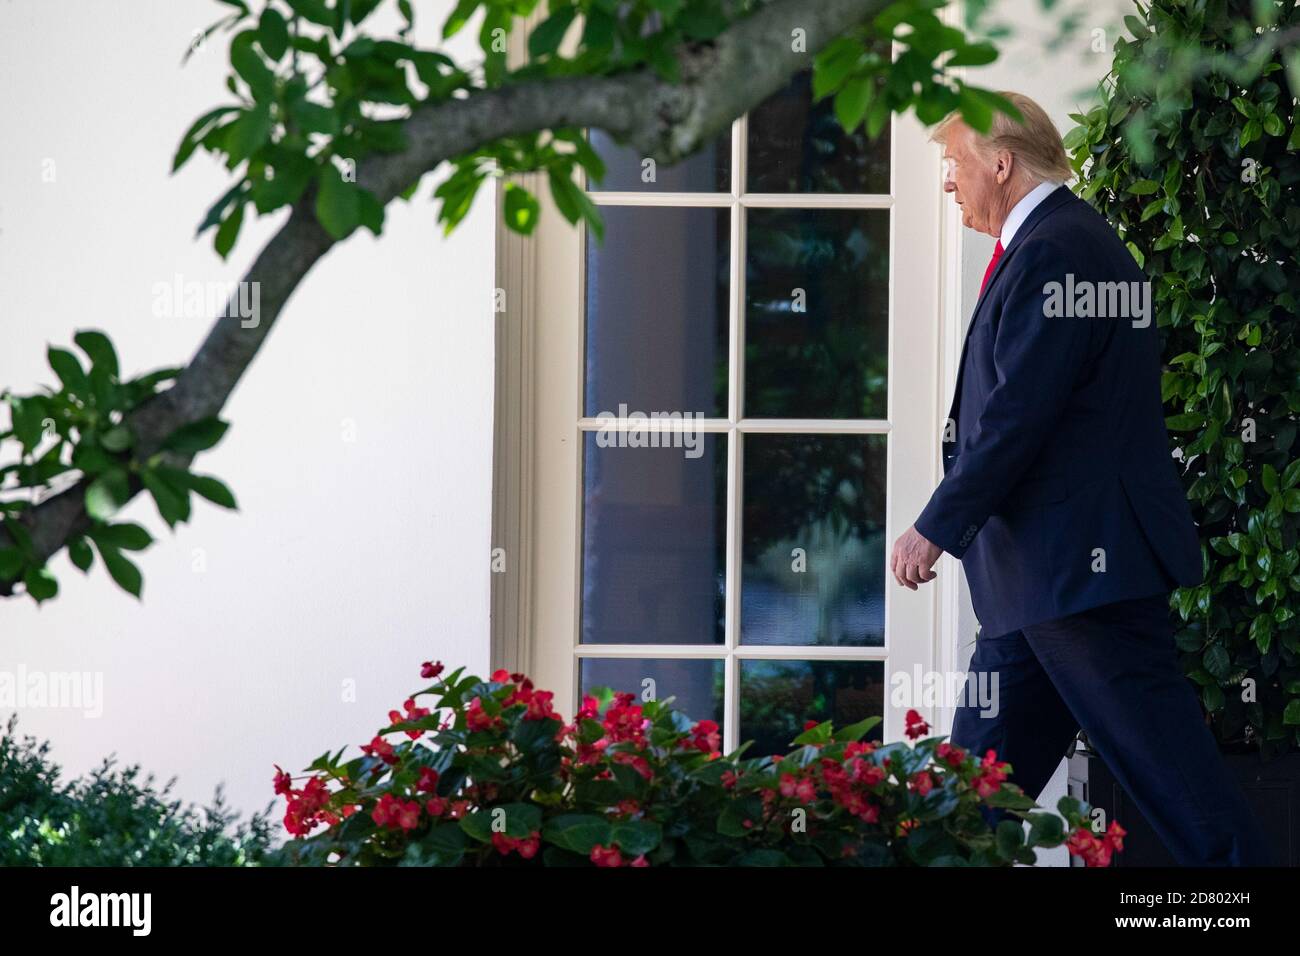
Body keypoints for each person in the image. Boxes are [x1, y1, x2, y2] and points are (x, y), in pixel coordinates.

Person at [889, 91, 1275, 866]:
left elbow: (1019, 415)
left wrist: (937, 523)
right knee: (967, 812)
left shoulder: (1060, 250)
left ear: (1001, 163)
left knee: (1184, 796)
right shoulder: (1059, 245)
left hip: (1081, 582)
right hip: (1040, 586)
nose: (947, 182)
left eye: (954, 164)